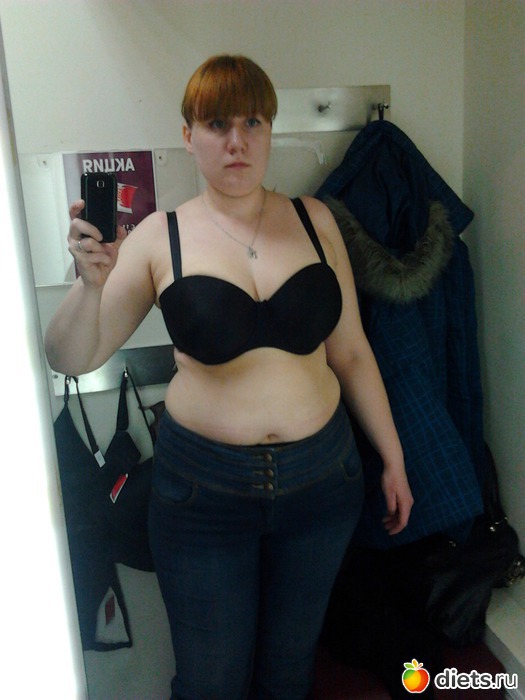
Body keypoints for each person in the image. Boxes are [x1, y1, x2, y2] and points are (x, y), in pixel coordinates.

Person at [45, 55, 413, 700]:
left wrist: (394, 457)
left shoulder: (316, 220)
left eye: (252, 122)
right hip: (203, 496)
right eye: (217, 124)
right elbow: (70, 357)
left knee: (289, 675)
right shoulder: (159, 236)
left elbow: (352, 352)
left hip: (322, 482)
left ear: (270, 130)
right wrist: (91, 284)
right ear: (189, 136)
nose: (237, 141)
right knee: (210, 682)